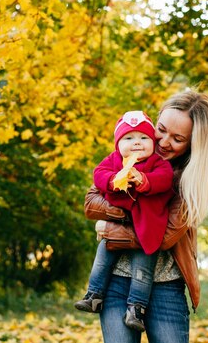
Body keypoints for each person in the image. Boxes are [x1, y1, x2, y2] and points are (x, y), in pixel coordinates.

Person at [84, 90, 208, 343]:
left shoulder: (191, 179)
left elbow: (163, 238)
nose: (163, 141)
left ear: (194, 143)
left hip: (165, 288)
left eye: (178, 139)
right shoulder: (130, 154)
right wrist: (118, 206)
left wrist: (109, 228)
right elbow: (92, 201)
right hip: (116, 281)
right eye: (161, 129)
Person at [74, 110, 174, 332]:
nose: (136, 143)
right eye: (128, 138)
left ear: (153, 142)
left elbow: (165, 180)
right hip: (116, 224)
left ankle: (136, 308)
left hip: (146, 225)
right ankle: (94, 294)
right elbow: (98, 174)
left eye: (143, 138)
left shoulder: (157, 163)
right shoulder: (114, 160)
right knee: (103, 257)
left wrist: (144, 180)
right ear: (118, 144)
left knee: (143, 268)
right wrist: (112, 180)